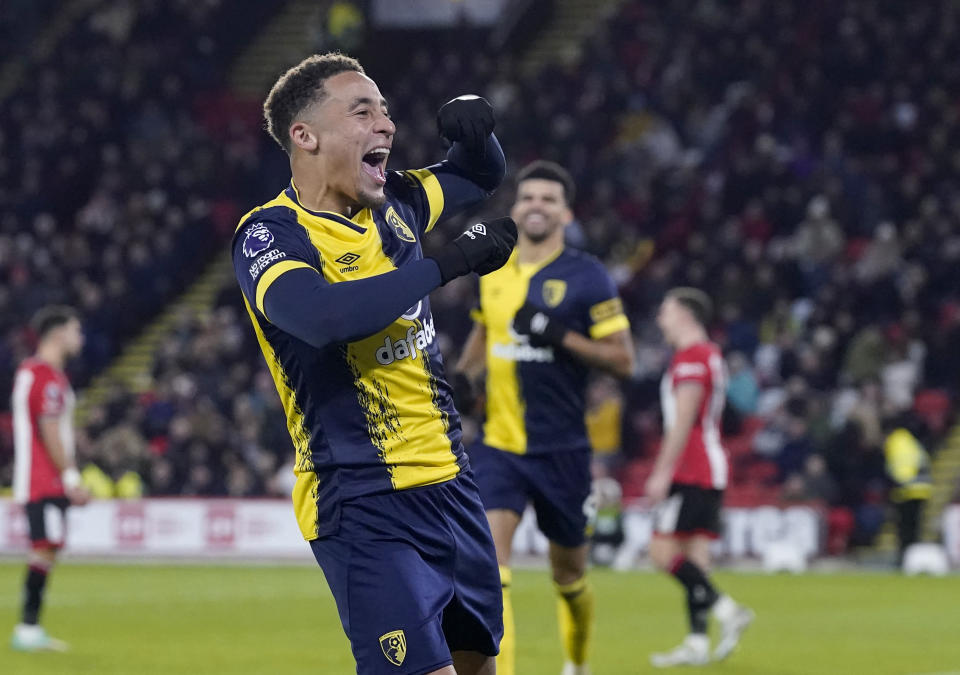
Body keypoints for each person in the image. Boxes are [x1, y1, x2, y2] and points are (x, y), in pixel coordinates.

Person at [232, 53, 517, 675]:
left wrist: (478, 129)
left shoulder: (399, 203)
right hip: (362, 498)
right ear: (305, 136)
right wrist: (448, 265)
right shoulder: (270, 235)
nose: (385, 123)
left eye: (386, 110)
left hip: (452, 482)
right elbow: (322, 318)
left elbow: (480, 173)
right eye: (362, 112)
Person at [454, 160, 635, 675]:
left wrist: (558, 334)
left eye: (548, 199)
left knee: (570, 578)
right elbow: (483, 337)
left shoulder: (588, 276)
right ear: (515, 207)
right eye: (528, 197)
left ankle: (577, 666)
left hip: (562, 449)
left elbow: (624, 361)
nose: (536, 205)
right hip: (500, 446)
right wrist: (464, 381)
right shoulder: (494, 271)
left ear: (566, 213)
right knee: (492, 574)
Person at [645, 288, 753, 667]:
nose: (660, 319)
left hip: (692, 468)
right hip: (708, 466)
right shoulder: (707, 355)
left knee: (661, 553)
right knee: (695, 558)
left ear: (686, 315)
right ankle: (696, 642)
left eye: (666, 311)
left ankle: (727, 610)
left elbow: (684, 420)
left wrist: (661, 472)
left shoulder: (693, 357)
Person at [10, 306, 90, 652]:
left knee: (46, 550)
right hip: (45, 480)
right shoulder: (45, 376)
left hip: (39, 478)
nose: (79, 338)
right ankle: (28, 629)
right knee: (43, 550)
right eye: (75, 330)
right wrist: (70, 476)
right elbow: (49, 428)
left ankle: (30, 628)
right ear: (58, 334)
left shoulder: (36, 373)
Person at [883, 418, 932, 565]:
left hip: (907, 491)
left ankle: (904, 559)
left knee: (904, 529)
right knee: (915, 528)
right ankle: (914, 559)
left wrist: (896, 490)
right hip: (923, 489)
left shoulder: (894, 441)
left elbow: (899, 469)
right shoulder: (910, 441)